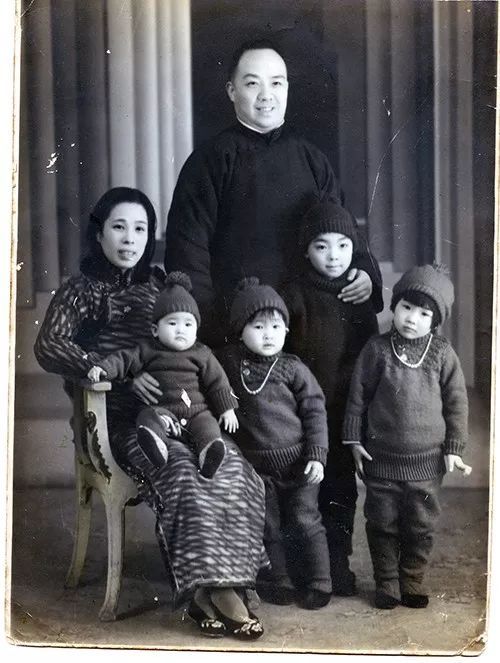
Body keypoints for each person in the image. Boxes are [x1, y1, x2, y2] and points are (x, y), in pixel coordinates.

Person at [34, 187, 265, 640]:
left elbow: (190, 346)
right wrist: (119, 376)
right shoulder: (82, 290)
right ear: (98, 233)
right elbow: (48, 346)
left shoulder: (160, 284)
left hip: (184, 415)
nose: (129, 239)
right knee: (180, 469)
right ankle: (215, 594)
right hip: (121, 422)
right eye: (119, 227)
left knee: (234, 467)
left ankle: (223, 586)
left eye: (140, 229)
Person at [164, 38, 383, 351]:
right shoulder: (209, 161)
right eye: (252, 83)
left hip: (310, 325)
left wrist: (365, 274)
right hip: (237, 327)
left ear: (287, 89)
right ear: (231, 90)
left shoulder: (311, 159)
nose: (266, 95)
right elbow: (188, 251)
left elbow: (343, 228)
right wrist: (210, 327)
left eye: (276, 83)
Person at [342, 264, 472, 610]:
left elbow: (457, 403)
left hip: (426, 462)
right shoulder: (377, 349)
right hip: (381, 459)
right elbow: (358, 397)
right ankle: (387, 581)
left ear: (435, 320)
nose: (412, 318)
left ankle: (412, 578)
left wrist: (454, 448)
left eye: (424, 313)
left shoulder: (442, 353)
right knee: (381, 522)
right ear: (395, 305)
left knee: (419, 525)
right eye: (407, 307)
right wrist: (354, 440)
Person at [281, 199, 379, 596]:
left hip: (343, 413)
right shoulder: (294, 294)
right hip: (303, 414)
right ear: (306, 250)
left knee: (341, 489)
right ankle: (304, 566)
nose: (334, 255)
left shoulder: (357, 296)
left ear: (354, 248)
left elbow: (369, 358)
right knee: (304, 490)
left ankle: (338, 562)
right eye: (321, 246)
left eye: (343, 245)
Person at [218, 278, 332, 610]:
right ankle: (279, 579)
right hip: (256, 465)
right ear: (240, 331)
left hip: (298, 462)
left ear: (286, 330)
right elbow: (204, 372)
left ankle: (320, 580)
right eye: (258, 327)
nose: (268, 335)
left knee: (305, 518)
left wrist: (317, 455)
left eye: (276, 327)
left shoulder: (293, 368)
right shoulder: (229, 364)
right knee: (267, 523)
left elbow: (315, 411)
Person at [86, 271, 239, 480]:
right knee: (147, 417)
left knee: (208, 426)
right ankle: (156, 446)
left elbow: (218, 381)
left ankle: (209, 452)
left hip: (196, 412)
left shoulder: (202, 353)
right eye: (172, 323)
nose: (181, 330)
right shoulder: (147, 349)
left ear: (196, 329)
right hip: (161, 409)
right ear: (155, 330)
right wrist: (104, 369)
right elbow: (123, 359)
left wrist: (227, 409)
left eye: (188, 324)